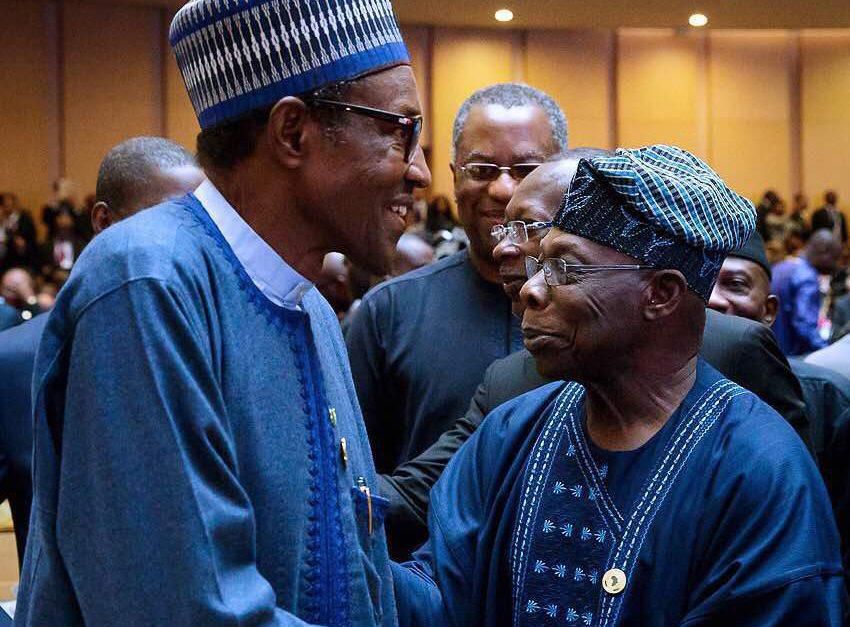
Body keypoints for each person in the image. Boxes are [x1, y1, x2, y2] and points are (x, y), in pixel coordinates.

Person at [16, 1, 430, 623]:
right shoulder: (148, 281)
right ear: (293, 133)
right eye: (401, 132)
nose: (421, 172)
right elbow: (182, 607)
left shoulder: (312, 307)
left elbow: (356, 566)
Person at [393, 146, 843, 625]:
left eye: (565, 268)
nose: (531, 288)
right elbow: (437, 597)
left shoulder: (757, 468)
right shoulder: (510, 432)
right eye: (539, 263)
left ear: (662, 294)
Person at [0, 136, 203, 572]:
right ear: (103, 221)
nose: (185, 246)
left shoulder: (225, 349)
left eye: (198, 228)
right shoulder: (14, 362)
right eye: (161, 222)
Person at [346, 83, 568, 480]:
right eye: (482, 171)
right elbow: (360, 478)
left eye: (526, 171)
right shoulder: (388, 313)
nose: (503, 190)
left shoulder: (605, 313)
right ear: (453, 178)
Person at [709, 231, 850, 481]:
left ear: (769, 311)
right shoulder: (648, 395)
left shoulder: (827, 398)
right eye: (703, 284)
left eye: (736, 285)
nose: (714, 300)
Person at [772, 229, 841, 356]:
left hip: (770, 350)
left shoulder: (781, 266)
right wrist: (826, 351)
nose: (835, 265)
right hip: (792, 358)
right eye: (835, 258)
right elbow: (803, 324)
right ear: (823, 251)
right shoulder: (808, 278)